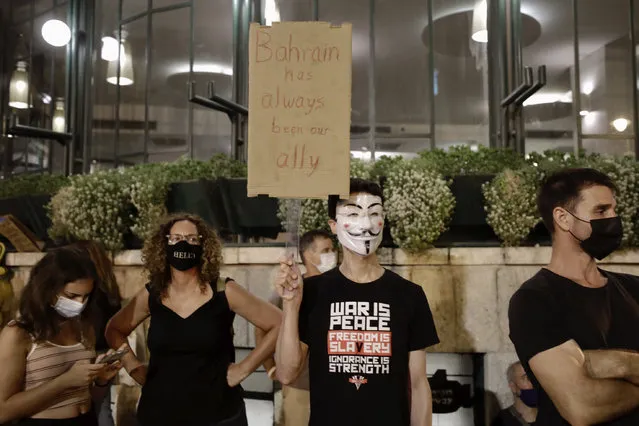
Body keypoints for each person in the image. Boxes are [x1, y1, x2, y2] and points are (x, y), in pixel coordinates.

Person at [275, 178, 439, 426]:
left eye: (374, 213)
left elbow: (417, 383)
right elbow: (286, 373)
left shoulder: (409, 295)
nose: (366, 224)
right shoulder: (313, 291)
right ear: (334, 224)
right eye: (353, 213)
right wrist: (290, 305)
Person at [105, 213, 282, 426]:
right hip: (159, 414)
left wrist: (244, 369)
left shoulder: (224, 291)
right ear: (163, 245)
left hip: (219, 415)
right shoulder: (152, 294)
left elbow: (278, 323)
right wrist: (133, 366)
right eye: (176, 238)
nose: (183, 243)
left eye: (191, 239)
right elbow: (114, 330)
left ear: (203, 246)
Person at [509, 168, 639, 426]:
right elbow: (582, 407)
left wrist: (605, 362)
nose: (614, 219)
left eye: (614, 210)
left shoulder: (634, 288)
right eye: (601, 211)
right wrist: (628, 363)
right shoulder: (534, 300)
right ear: (563, 218)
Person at [0, 247, 125, 426]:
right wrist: (64, 382)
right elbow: (3, 411)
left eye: (86, 296)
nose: (80, 304)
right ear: (47, 289)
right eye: (71, 296)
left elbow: (88, 398)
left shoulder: (83, 327)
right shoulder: (19, 334)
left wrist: (101, 381)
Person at [255, 229, 336, 425]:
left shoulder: (337, 287)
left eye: (333, 250)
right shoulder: (291, 288)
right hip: (301, 388)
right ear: (308, 254)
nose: (332, 255)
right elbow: (260, 327)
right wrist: (271, 368)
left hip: (335, 388)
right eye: (325, 250)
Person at [68, 241, 122, 426]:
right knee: (103, 406)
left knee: (87, 406)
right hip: (105, 353)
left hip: (88, 353)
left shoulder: (89, 294)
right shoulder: (110, 291)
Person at [491, 362, 537, 426]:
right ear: (513, 386)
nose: (533, 383)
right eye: (527, 378)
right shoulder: (502, 421)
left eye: (535, 378)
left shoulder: (551, 416)